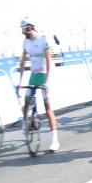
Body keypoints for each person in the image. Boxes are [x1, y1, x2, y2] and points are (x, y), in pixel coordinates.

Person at [17, 19, 60, 152]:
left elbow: (48, 62)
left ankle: (55, 140)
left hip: (44, 75)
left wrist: (46, 82)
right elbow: (23, 62)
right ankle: (25, 125)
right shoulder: (25, 42)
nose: (22, 31)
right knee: (26, 103)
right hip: (34, 75)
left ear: (30, 28)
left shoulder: (43, 40)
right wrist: (19, 82)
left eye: (23, 29)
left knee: (48, 109)